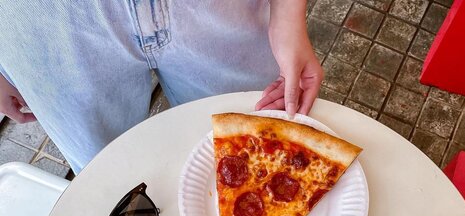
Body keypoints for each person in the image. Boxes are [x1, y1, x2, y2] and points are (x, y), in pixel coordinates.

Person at [0, 1, 323, 173]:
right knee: (108, 177)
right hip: (41, 20)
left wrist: (287, 11)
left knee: (255, 144)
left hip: (220, 7)